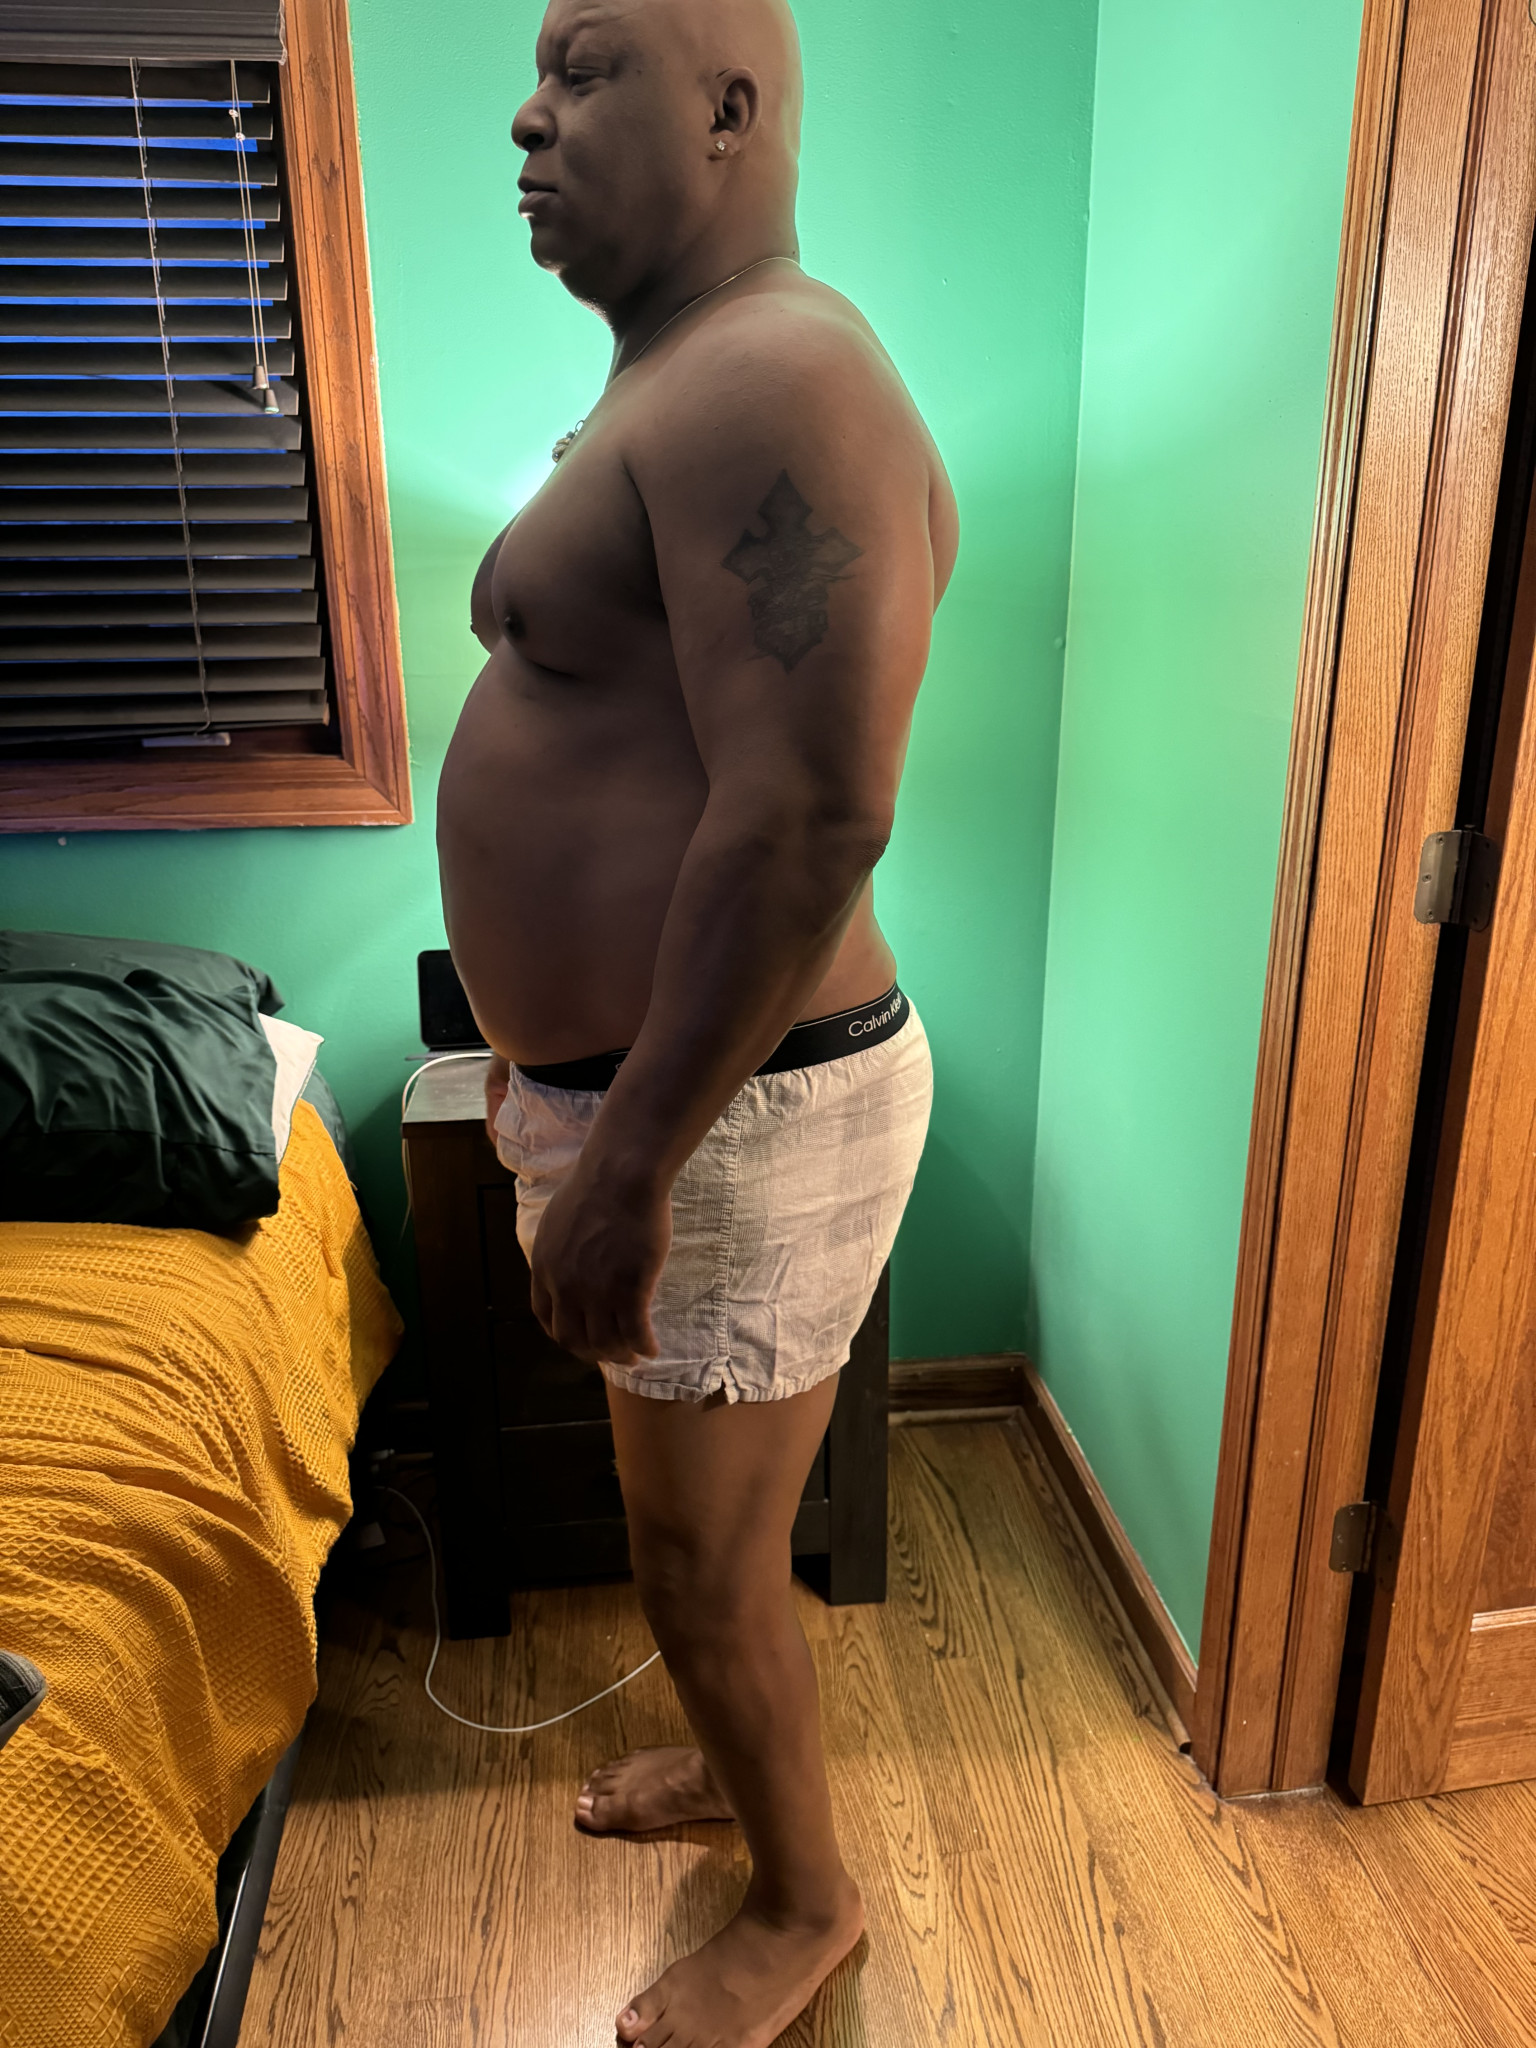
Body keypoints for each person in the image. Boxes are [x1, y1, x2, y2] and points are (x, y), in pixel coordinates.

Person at [437, 0, 956, 2039]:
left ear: (731, 108)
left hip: (732, 1109)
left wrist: (630, 1160)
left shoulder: (780, 381)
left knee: (704, 1561)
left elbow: (814, 810)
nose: (527, 114)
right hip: (681, 1098)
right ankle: (740, 1778)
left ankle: (803, 1903)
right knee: (691, 1536)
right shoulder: (682, 374)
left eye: (583, 71)